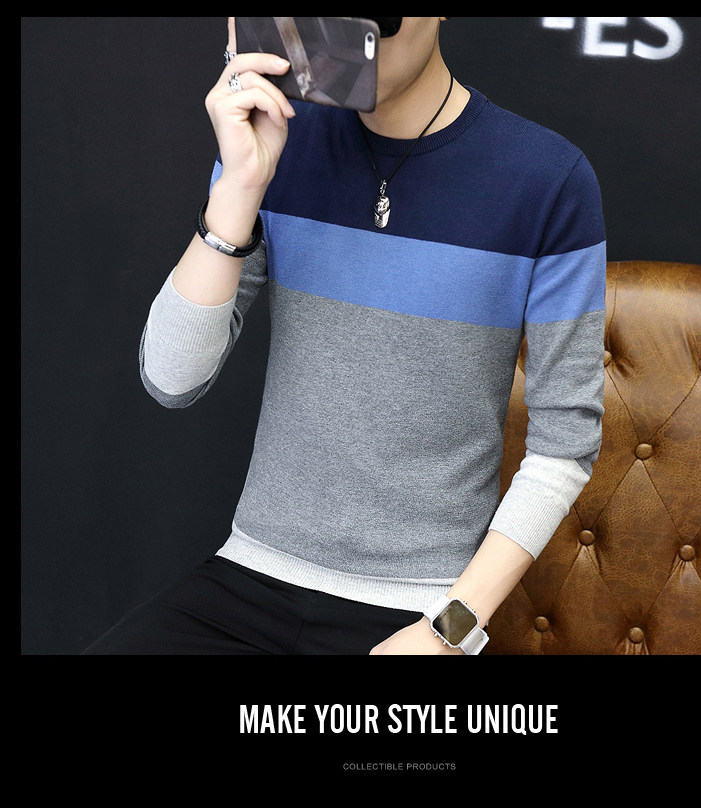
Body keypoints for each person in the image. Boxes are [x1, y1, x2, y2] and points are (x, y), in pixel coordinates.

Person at [83, 17, 605, 655]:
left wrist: (448, 631)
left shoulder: (547, 177)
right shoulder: (279, 144)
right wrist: (240, 187)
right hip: (249, 578)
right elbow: (171, 377)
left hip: (416, 608)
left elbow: (562, 447)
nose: (362, 34)